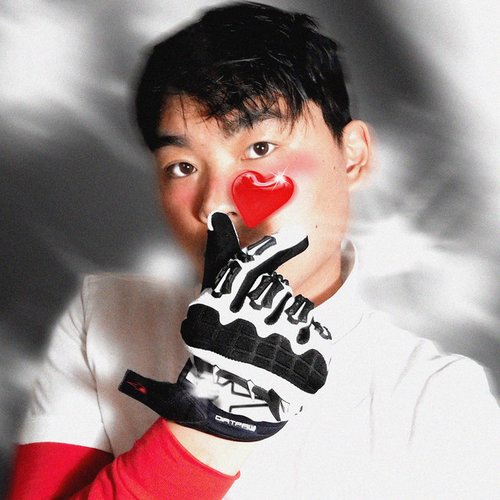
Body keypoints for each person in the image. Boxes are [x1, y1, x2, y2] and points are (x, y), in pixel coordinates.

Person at [8, 2, 499, 498]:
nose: (214, 205)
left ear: (352, 156)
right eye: (182, 166)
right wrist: (212, 419)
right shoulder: (105, 317)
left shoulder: (441, 398)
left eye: (260, 149)